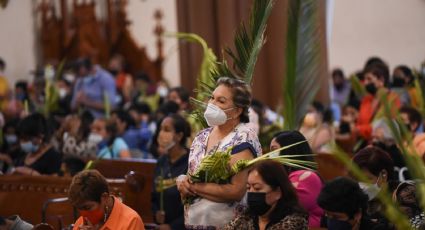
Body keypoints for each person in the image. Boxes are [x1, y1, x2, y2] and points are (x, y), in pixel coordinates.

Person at [177, 77, 262, 229]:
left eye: (221, 101)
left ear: (237, 111)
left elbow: (236, 190)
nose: (212, 104)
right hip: (194, 222)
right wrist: (182, 182)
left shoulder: (243, 138)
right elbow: (190, 175)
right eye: (212, 98)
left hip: (229, 225)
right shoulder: (201, 136)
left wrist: (194, 188)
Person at [223, 160, 308, 230]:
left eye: (257, 188)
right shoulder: (245, 218)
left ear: (278, 193)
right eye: (248, 188)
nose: (251, 192)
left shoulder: (294, 222)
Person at [270, 130, 324, 227]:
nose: (269, 156)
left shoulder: (307, 177)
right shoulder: (286, 176)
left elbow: (279, 207)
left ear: (290, 151)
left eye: (274, 150)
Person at [68, 170, 145, 229]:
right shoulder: (80, 223)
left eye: (87, 207)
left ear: (104, 197)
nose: (83, 214)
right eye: (80, 208)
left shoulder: (131, 221)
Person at [152, 114, 191, 230]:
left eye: (167, 130)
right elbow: (154, 195)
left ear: (179, 136)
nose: (161, 133)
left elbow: (194, 203)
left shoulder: (190, 161)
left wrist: (173, 227)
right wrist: (156, 213)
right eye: (161, 129)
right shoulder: (161, 161)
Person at [352, 146, 396, 229]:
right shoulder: (357, 200)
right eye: (356, 179)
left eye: (366, 179)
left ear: (383, 175)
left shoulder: (403, 196)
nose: (360, 185)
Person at [317, 177, 385, 230]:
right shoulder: (325, 221)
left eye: (337, 217)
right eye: (327, 214)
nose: (330, 222)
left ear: (357, 214)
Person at [356, 62, 401, 141]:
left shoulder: (392, 100)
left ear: (381, 80)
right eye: (365, 79)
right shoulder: (367, 99)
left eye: (369, 79)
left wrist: (359, 129)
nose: (365, 83)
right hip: (364, 143)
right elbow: (360, 122)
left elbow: (385, 128)